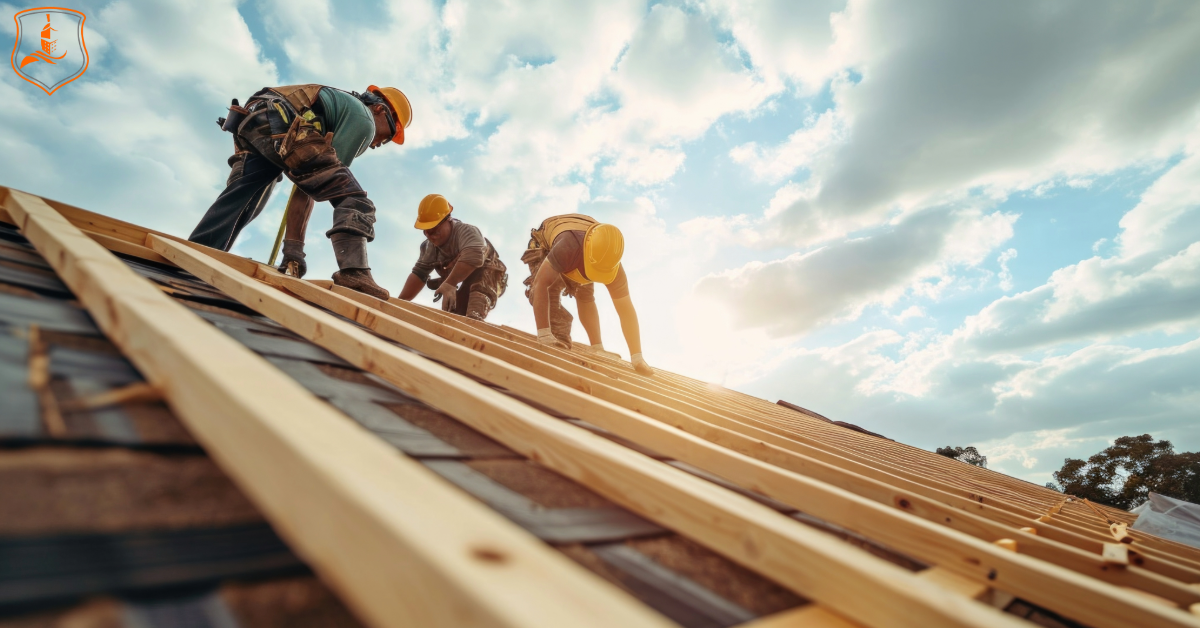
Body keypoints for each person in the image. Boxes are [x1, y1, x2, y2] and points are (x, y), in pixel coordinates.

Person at [188, 83, 412, 299]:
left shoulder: (338, 106)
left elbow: (307, 182)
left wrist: (293, 251)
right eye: (387, 137)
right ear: (380, 109)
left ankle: (198, 252)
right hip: (281, 119)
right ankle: (355, 273)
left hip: (256, 116)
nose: (377, 144)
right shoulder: (364, 120)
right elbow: (320, 184)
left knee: (246, 195)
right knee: (354, 200)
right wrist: (294, 250)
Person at [522, 214, 653, 376]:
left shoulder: (609, 260)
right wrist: (544, 336)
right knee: (552, 293)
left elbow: (626, 311)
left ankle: (596, 347)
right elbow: (540, 284)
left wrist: (637, 357)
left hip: (584, 244)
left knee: (585, 292)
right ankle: (549, 336)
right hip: (552, 242)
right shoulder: (567, 248)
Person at [397, 194, 507, 320]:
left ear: (448, 219)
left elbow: (474, 255)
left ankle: (475, 319)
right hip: (461, 281)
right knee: (454, 318)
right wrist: (400, 303)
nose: (429, 235)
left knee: (473, 316)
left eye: (433, 230)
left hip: (486, 276)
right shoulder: (429, 247)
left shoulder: (466, 231)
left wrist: (449, 283)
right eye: (425, 231)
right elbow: (419, 274)